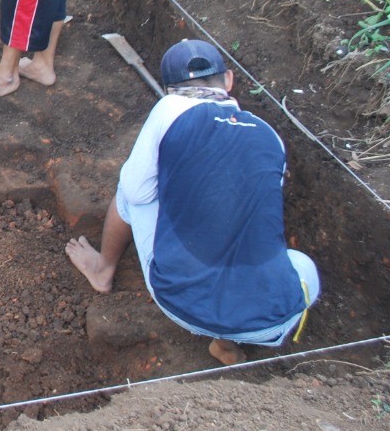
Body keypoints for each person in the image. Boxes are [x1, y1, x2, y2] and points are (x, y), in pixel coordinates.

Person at [66, 39, 321, 366]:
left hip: (185, 305)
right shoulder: (269, 135)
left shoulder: (170, 109)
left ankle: (102, 270)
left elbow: (138, 192)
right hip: (275, 320)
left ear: (170, 89)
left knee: (129, 192)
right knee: (297, 263)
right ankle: (226, 345)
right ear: (228, 80)